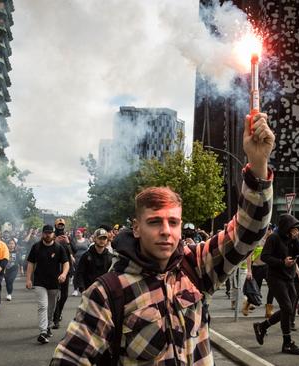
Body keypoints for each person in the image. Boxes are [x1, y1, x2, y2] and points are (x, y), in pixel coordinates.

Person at [50, 112, 274, 365]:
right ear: (136, 228)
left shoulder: (196, 266)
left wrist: (258, 164)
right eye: (155, 221)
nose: (166, 230)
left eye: (173, 222)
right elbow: (69, 358)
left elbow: (248, 232)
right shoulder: (107, 292)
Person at [252, 214, 299, 355]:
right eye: (292, 228)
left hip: (289, 278)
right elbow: (265, 257)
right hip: (276, 278)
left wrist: (297, 239)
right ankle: (286, 343)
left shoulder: (293, 239)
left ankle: (262, 326)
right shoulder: (274, 238)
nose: (294, 231)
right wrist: (282, 262)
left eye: (296, 229)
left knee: (289, 309)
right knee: (287, 307)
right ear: (285, 227)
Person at [26, 225, 70, 344]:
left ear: (53, 235)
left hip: (54, 283)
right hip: (39, 281)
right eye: (45, 233)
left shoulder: (59, 248)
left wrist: (64, 274)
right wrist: (28, 279)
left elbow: (66, 263)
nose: (47, 235)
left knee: (51, 307)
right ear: (42, 234)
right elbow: (30, 263)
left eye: (50, 233)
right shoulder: (36, 247)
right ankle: (43, 331)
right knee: (43, 306)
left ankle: (48, 326)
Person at [245, 225, 275, 318]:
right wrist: (249, 270)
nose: (269, 232)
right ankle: (246, 305)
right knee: (255, 289)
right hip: (256, 267)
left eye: (270, 230)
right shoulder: (257, 241)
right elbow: (249, 256)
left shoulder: (272, 241)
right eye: (268, 230)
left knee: (272, 287)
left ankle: (268, 310)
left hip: (267, 267)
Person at [52, 219, 73, 330]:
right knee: (54, 295)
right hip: (53, 269)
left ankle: (58, 312)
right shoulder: (51, 236)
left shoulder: (68, 236)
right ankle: (55, 319)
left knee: (64, 295)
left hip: (66, 270)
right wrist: (56, 242)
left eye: (62, 225)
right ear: (55, 225)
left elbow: (73, 250)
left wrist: (68, 242)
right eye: (58, 225)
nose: (60, 226)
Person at [70, 229, 91, 296]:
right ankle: (75, 289)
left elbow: (90, 249)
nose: (78, 234)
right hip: (76, 260)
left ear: (82, 233)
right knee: (76, 274)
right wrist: (72, 257)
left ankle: (84, 289)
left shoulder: (87, 240)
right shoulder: (74, 241)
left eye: (79, 233)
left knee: (85, 274)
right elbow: (71, 250)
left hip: (85, 260)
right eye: (77, 233)